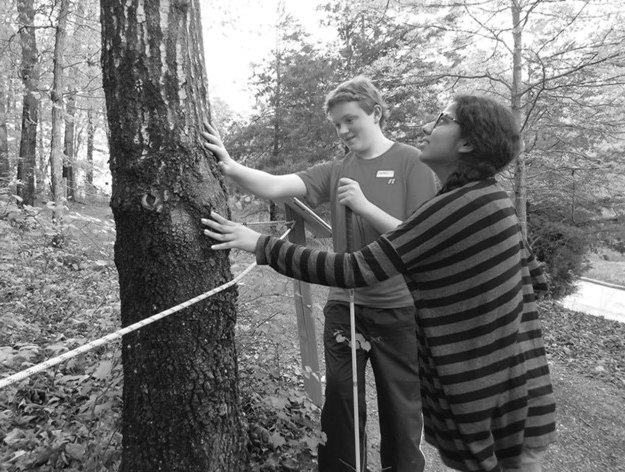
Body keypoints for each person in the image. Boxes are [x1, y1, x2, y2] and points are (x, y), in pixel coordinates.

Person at [202, 94, 557, 472]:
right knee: (341, 400)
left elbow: (364, 265)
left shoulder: (453, 198)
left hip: (494, 394)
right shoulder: (486, 198)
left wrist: (260, 244)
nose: (425, 127)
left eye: (440, 120)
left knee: (405, 412)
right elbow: (534, 277)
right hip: (502, 388)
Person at [202, 76, 436, 472]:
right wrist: (229, 166)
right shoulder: (337, 168)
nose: (344, 131)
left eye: (350, 120)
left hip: (399, 312)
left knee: (401, 411)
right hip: (345, 307)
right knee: (341, 402)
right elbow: (277, 186)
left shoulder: (411, 161)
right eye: (337, 125)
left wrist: (363, 206)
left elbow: (420, 240)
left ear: (376, 113)